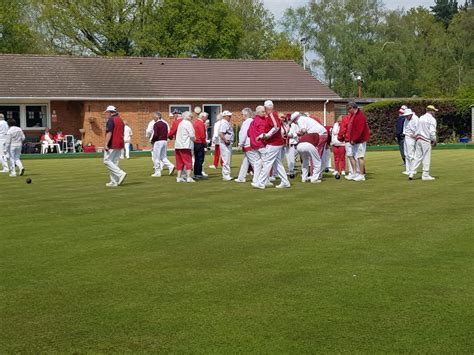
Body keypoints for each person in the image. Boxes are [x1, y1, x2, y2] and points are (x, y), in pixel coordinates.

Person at [256, 100, 290, 189]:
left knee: (267, 162)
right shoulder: (272, 115)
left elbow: (276, 127)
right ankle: (285, 182)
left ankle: (261, 182)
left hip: (274, 143)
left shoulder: (272, 115)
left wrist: (267, 135)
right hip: (275, 142)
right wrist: (263, 135)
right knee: (277, 163)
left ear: (266, 107)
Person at [290, 112, 325, 183]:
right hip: (309, 144)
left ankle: (304, 178)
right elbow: (304, 131)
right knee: (317, 160)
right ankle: (314, 178)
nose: (295, 123)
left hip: (299, 146)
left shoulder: (300, 120)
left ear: (295, 119)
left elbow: (303, 131)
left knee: (305, 162)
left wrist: (297, 133)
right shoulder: (306, 120)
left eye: (294, 121)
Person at [409, 105, 438, 181]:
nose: (435, 113)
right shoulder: (432, 119)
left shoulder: (421, 117)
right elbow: (432, 131)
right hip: (426, 140)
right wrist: (434, 140)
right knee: (426, 157)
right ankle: (425, 175)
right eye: (434, 111)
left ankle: (411, 172)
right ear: (431, 111)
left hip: (418, 139)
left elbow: (417, 129)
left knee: (416, 157)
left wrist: (415, 136)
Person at [345, 102, 370, 182]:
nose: (348, 111)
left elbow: (359, 130)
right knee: (355, 156)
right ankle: (355, 173)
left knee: (360, 157)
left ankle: (362, 175)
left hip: (360, 140)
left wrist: (354, 139)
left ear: (352, 107)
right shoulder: (354, 115)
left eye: (349, 109)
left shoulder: (360, 115)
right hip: (355, 140)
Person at [103, 105, 127, 187]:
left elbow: (109, 133)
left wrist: (106, 144)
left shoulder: (111, 120)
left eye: (107, 112)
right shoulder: (120, 120)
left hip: (113, 143)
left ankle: (120, 174)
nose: (107, 114)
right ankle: (114, 181)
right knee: (114, 162)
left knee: (106, 161)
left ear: (110, 112)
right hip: (120, 143)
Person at [248, 106, 267, 188]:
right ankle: (262, 181)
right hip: (261, 144)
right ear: (258, 112)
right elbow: (263, 133)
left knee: (257, 163)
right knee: (266, 162)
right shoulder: (262, 121)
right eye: (263, 112)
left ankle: (256, 180)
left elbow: (248, 133)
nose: (264, 113)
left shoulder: (252, 121)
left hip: (253, 144)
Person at [151, 112, 174, 177]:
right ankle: (171, 166)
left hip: (158, 141)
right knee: (163, 157)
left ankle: (157, 172)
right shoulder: (165, 124)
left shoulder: (156, 124)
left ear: (157, 117)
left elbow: (155, 134)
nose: (153, 118)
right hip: (165, 141)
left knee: (156, 157)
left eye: (154, 117)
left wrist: (152, 141)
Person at [174, 111, 195, 183]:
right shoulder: (188, 123)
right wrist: (194, 139)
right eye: (190, 116)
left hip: (178, 145)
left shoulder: (180, 123)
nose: (191, 117)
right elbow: (192, 135)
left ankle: (178, 177)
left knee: (179, 162)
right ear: (187, 117)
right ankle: (188, 177)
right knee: (188, 161)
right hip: (185, 145)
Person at [235, 108, 254, 183]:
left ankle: (262, 178)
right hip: (250, 143)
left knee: (255, 163)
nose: (242, 116)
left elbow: (244, 133)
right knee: (245, 162)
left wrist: (240, 143)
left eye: (242, 114)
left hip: (247, 144)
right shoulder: (252, 121)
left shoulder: (246, 122)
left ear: (245, 115)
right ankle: (241, 177)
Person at [401, 108, 419, 176]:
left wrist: (415, 135)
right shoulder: (406, 119)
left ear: (410, 114)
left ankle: (413, 170)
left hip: (412, 137)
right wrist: (404, 133)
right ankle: (408, 170)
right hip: (406, 136)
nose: (406, 117)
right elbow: (405, 128)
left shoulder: (416, 119)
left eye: (407, 115)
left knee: (411, 154)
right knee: (406, 154)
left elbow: (418, 128)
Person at [218, 110, 234, 181]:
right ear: (224, 116)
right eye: (228, 116)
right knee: (226, 159)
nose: (230, 117)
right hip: (225, 143)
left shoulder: (226, 123)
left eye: (230, 116)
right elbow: (221, 133)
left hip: (227, 142)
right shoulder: (224, 123)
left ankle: (227, 174)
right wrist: (225, 140)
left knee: (228, 159)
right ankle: (226, 175)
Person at [193, 112, 208, 180]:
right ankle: (198, 174)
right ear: (202, 117)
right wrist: (205, 143)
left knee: (197, 159)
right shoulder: (201, 123)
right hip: (199, 143)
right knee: (200, 159)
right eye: (206, 117)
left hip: (195, 143)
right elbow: (202, 135)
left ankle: (196, 173)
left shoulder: (196, 122)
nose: (206, 118)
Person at [284, 113, 298, 178]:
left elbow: (297, 133)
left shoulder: (294, 125)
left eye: (289, 119)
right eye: (287, 119)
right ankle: (290, 170)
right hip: (286, 143)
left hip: (292, 142)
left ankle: (291, 170)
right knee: (287, 157)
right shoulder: (286, 125)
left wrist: (291, 135)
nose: (288, 120)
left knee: (291, 157)